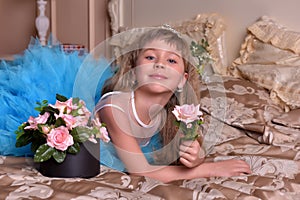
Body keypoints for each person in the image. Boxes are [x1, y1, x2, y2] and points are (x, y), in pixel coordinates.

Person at [94, 27, 251, 183]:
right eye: (150, 57)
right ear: (134, 71)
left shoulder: (171, 116)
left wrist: (196, 158)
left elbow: (190, 150)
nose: (160, 64)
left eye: (171, 60)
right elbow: (139, 171)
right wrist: (210, 168)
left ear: (182, 80)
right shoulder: (114, 108)